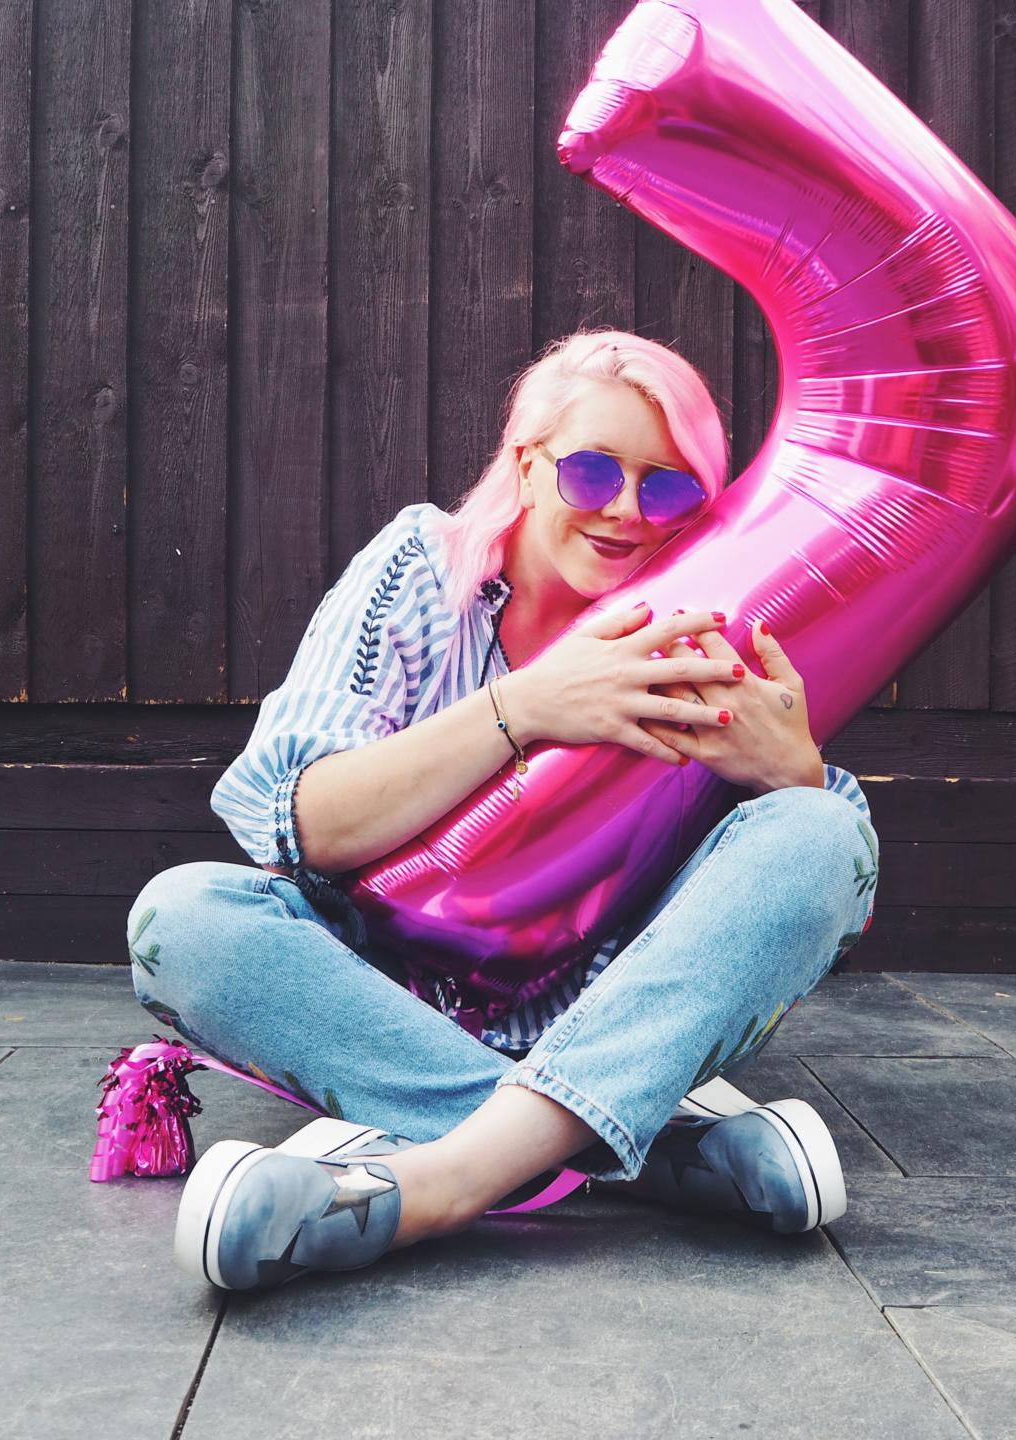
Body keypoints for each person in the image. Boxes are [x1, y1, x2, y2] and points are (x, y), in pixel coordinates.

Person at [128, 329, 880, 1291]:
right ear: (526, 465)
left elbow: (812, 900)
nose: (625, 511)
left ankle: (438, 1185)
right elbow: (299, 820)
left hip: (610, 1003)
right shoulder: (423, 567)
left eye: (666, 489)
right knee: (181, 917)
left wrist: (793, 774)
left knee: (823, 829)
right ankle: (645, 1154)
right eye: (592, 471)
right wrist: (522, 708)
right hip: (381, 993)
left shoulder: (714, 626)